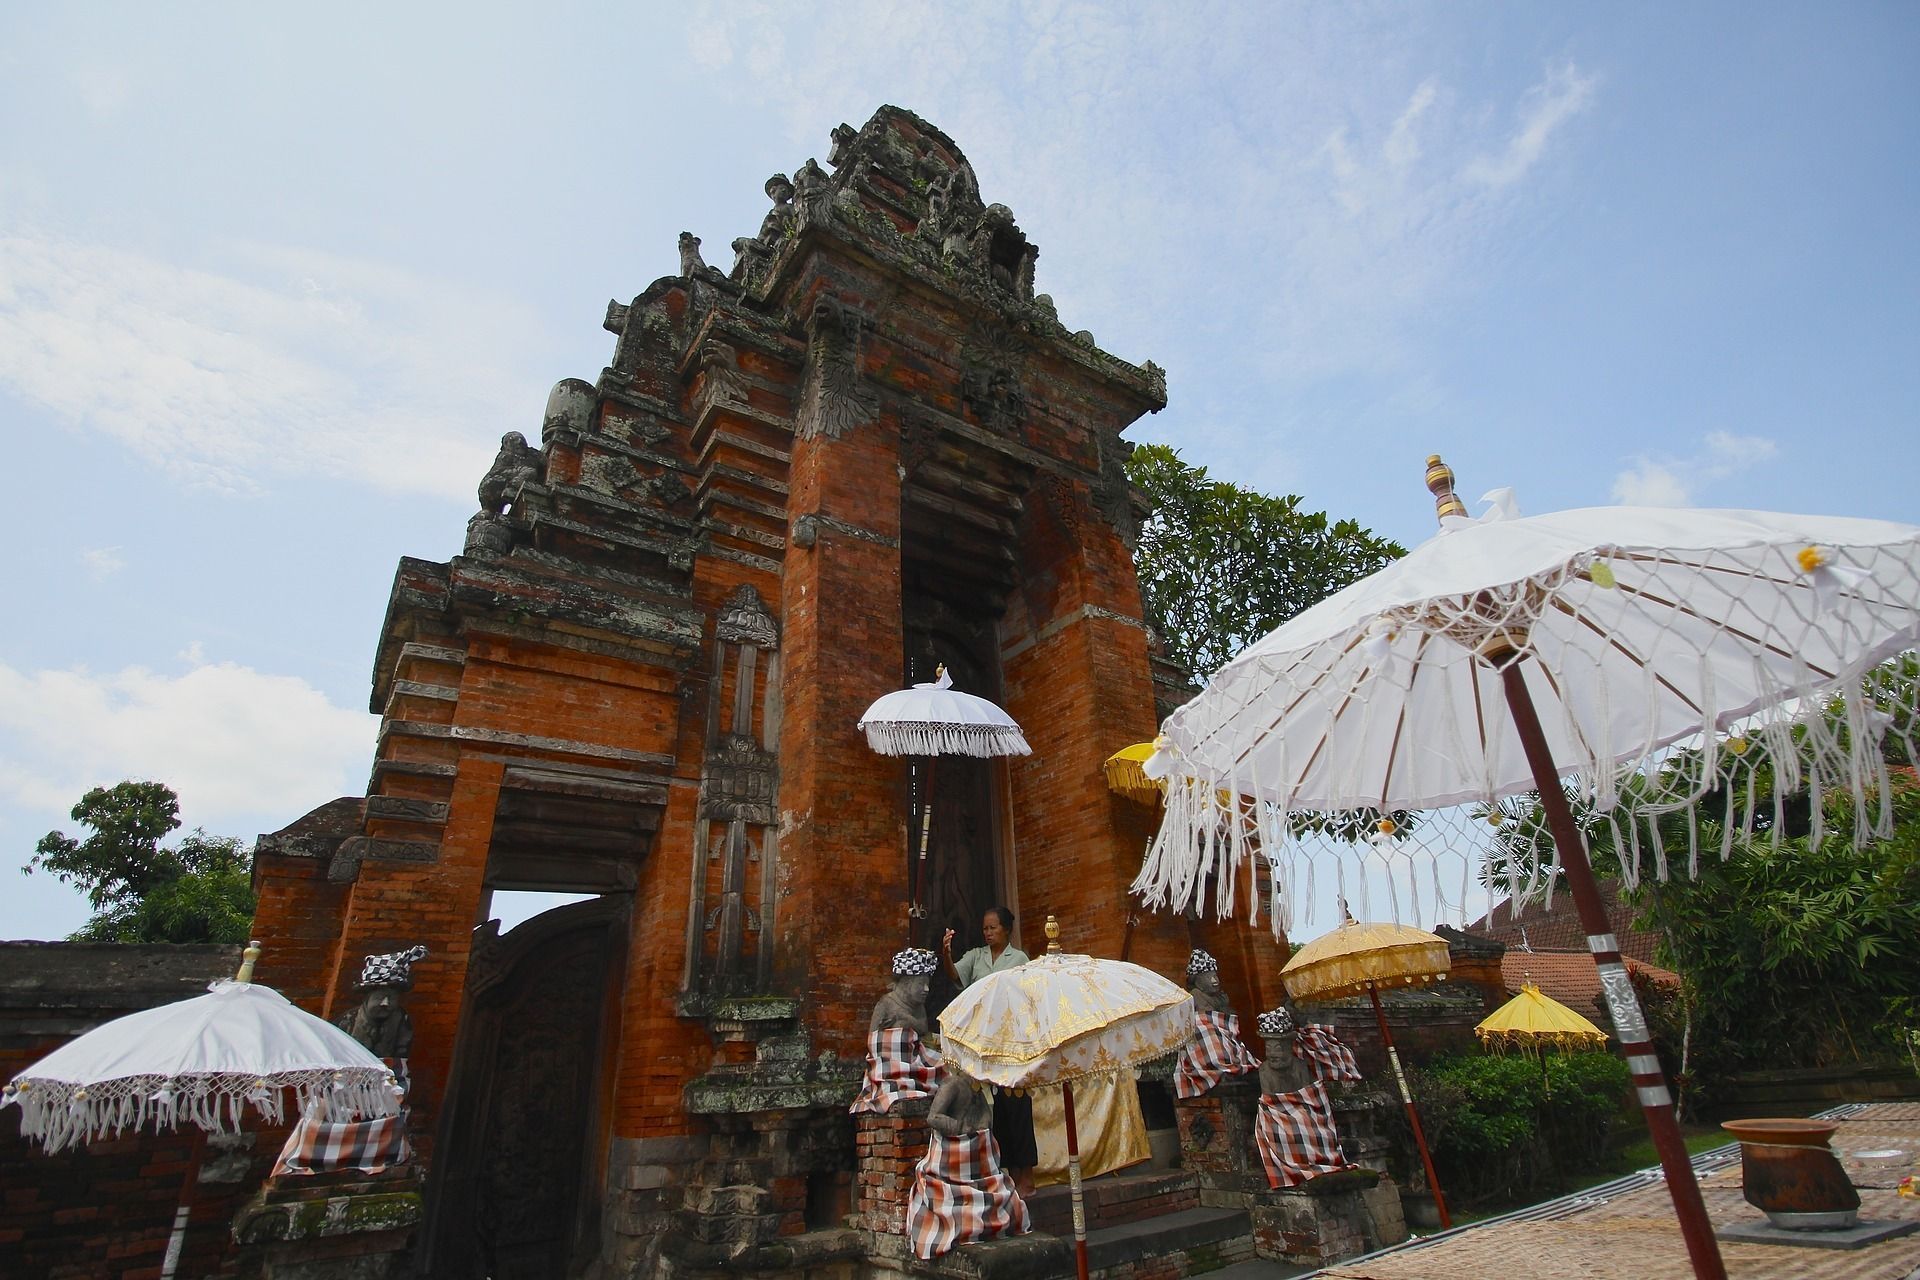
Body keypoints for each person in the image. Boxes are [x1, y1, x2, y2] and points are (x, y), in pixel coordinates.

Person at [941, 906, 1037, 1185]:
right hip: (982, 1041)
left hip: (1011, 1040)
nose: (988, 933)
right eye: (985, 928)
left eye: (993, 927)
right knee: (995, 1112)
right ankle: (1005, 1171)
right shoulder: (976, 957)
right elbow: (954, 977)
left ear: (1007, 929)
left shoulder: (1018, 959)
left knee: (1018, 1106)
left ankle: (1026, 1174)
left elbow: (1027, 997)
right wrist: (946, 953)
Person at [906, 1063, 1030, 1259]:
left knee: (997, 1191)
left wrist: (981, 1130)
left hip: (977, 1151)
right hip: (956, 1148)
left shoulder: (979, 1089)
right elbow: (933, 1117)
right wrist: (959, 1128)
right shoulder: (953, 1085)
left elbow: (985, 1118)